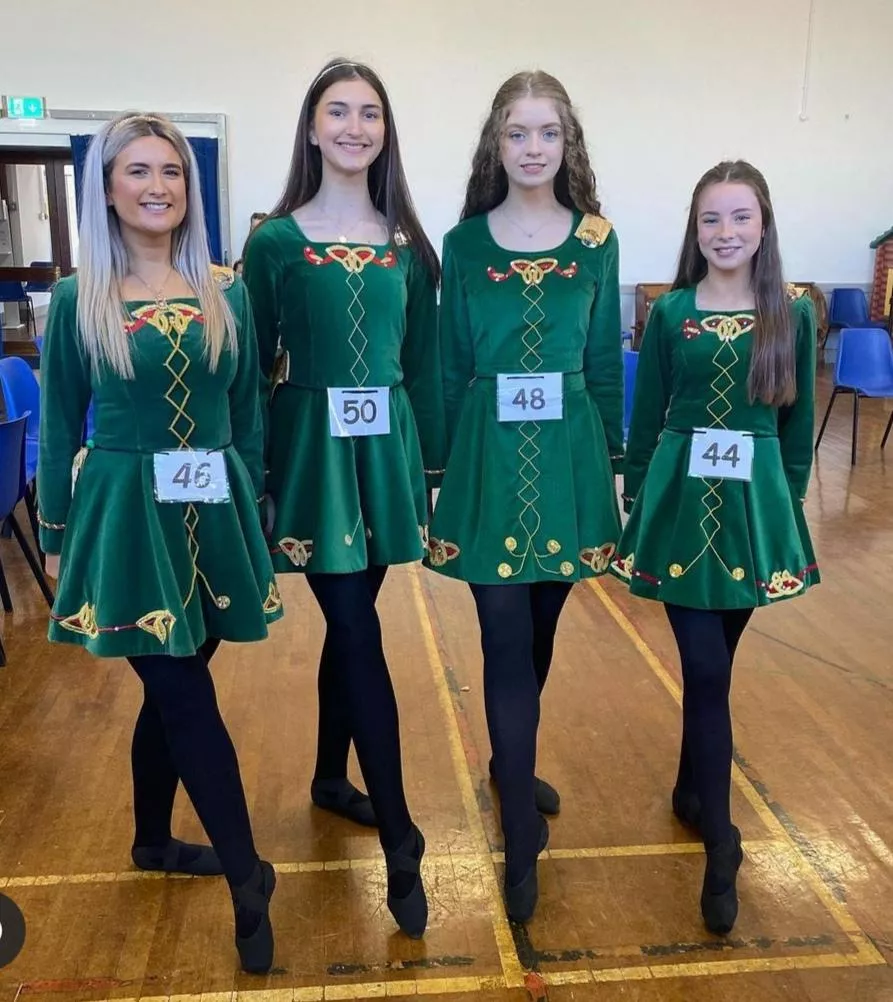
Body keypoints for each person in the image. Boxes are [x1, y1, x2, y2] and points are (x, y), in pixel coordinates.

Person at [37, 111, 281, 973]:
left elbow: (247, 412)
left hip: (213, 509)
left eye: (171, 171)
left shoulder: (226, 290)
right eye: (137, 171)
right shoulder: (79, 298)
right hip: (126, 516)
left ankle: (151, 840)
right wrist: (56, 533)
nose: (157, 186)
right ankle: (247, 878)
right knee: (182, 694)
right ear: (106, 189)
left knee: (174, 685)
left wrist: (255, 503)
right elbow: (58, 422)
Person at [241, 58, 443, 939]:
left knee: (352, 617)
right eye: (338, 112)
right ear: (312, 128)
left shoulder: (409, 245)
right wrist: (254, 474)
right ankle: (400, 831)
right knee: (357, 628)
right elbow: (250, 368)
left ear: (384, 130)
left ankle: (330, 777)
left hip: (383, 456)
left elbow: (424, 367)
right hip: (310, 454)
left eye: (369, 114)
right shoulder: (275, 243)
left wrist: (430, 475)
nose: (355, 128)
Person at [426, 71, 623, 923]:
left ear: (566, 143)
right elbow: (448, 364)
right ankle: (517, 833)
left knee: (538, 634)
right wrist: (436, 475)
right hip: (487, 460)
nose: (532, 147)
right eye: (517, 132)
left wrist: (615, 468)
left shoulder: (597, 241)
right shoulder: (463, 243)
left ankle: (512, 763)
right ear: (495, 144)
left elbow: (606, 363)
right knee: (503, 636)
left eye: (547, 132)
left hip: (569, 460)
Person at [610, 160, 819, 935]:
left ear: (762, 226)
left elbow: (795, 425)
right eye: (710, 219)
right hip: (678, 505)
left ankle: (689, 789)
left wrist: (787, 509)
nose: (724, 232)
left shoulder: (791, 312)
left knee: (716, 665)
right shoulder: (671, 312)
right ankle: (720, 843)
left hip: (751, 511)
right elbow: (647, 415)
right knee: (702, 669)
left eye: (738, 217)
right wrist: (636, 492)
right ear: (693, 230)